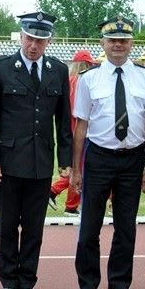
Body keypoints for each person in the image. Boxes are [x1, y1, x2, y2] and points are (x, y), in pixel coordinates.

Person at [0, 11, 72, 289]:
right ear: (21, 36)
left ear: (49, 41)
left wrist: (65, 158)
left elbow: (64, 119)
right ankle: (9, 282)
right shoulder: (1, 69)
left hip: (40, 163)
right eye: (30, 38)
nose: (34, 45)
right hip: (6, 164)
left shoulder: (58, 71)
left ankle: (27, 281)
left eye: (41, 40)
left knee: (34, 227)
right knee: (7, 226)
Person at [69, 17, 145, 289]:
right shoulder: (89, 79)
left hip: (132, 159)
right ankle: (88, 285)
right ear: (103, 44)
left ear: (131, 43)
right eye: (112, 40)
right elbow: (80, 126)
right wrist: (76, 168)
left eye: (124, 40)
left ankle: (119, 285)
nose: (118, 45)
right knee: (89, 227)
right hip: (99, 157)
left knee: (126, 227)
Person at [49, 49, 95, 216]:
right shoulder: (82, 81)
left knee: (76, 168)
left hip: (67, 130)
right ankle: (69, 203)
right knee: (79, 169)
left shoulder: (67, 80)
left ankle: (65, 199)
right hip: (80, 130)